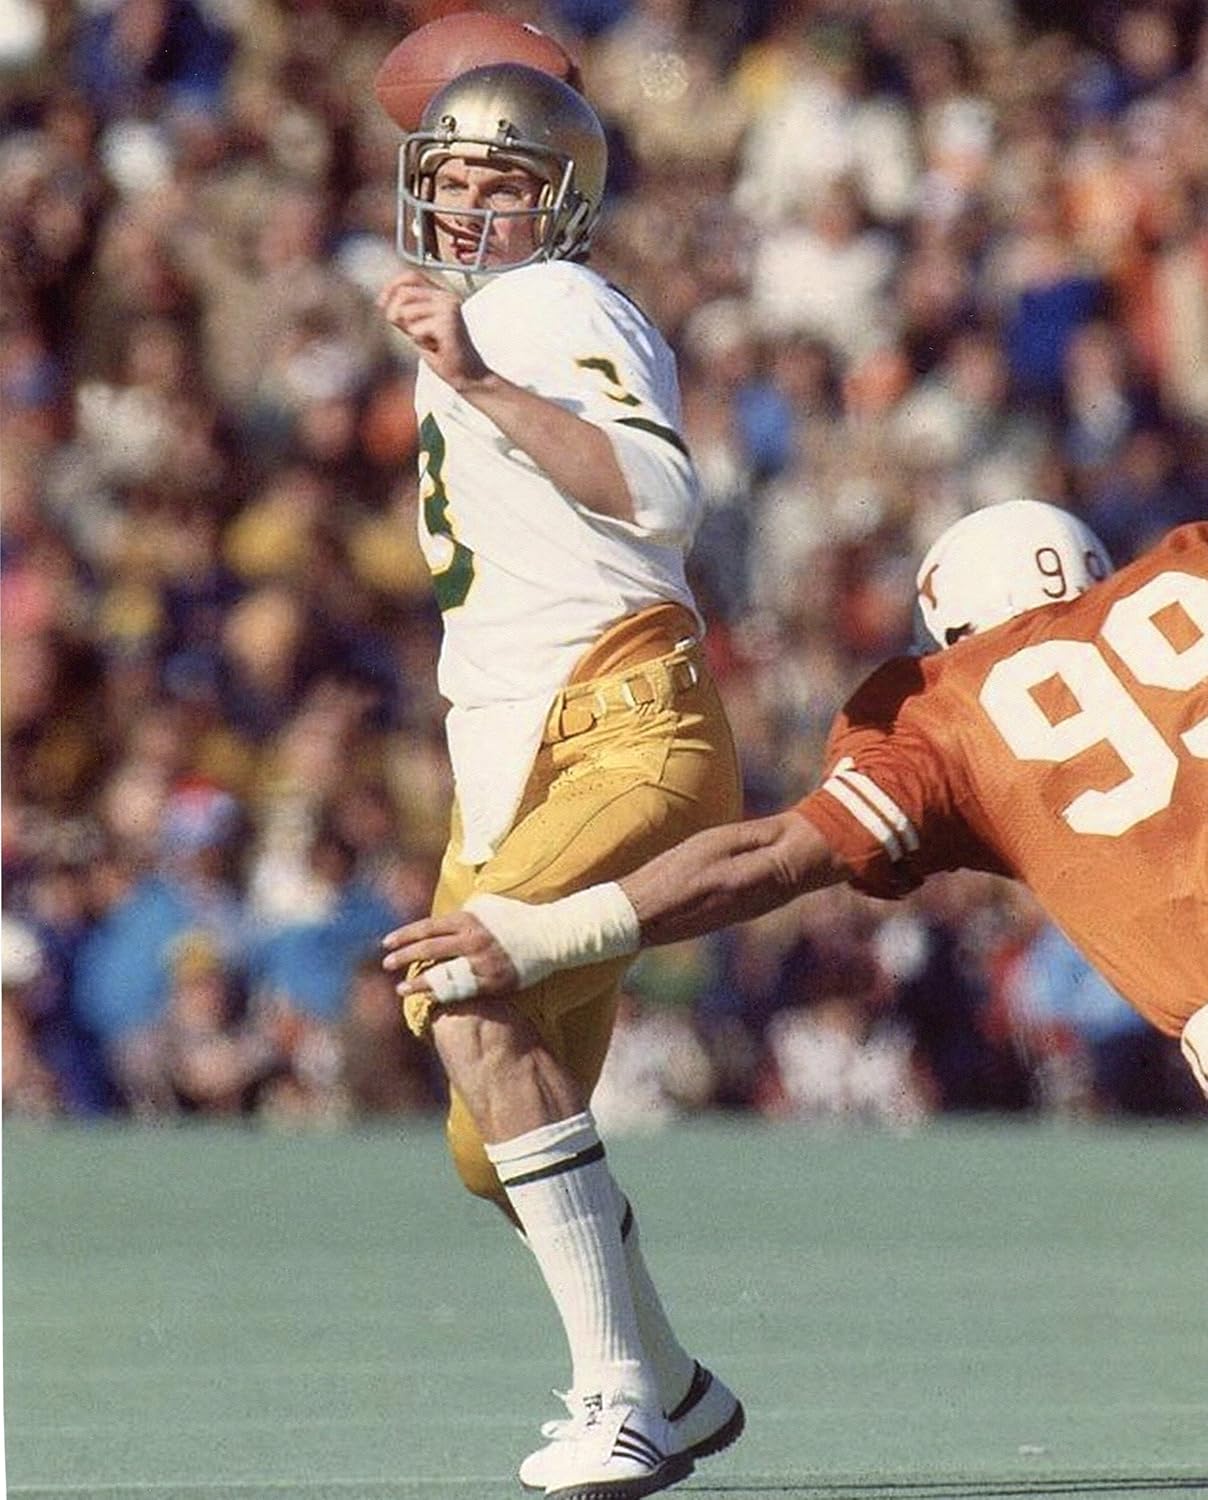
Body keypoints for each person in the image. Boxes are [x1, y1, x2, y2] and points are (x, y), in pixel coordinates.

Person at [374, 63, 744, 1499]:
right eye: (453, 178)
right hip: (518, 762)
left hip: (622, 729)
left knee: (466, 987)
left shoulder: (550, 303)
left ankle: (620, 1405)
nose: (470, 205)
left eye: (504, 182)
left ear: (563, 203)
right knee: (490, 1149)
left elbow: (660, 493)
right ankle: (679, 1384)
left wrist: (476, 375)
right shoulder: (486, 311)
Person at [383, 503, 1208, 1114]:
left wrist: (546, 934)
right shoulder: (1189, 562)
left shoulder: (941, 714)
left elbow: (771, 857)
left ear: (952, 625)